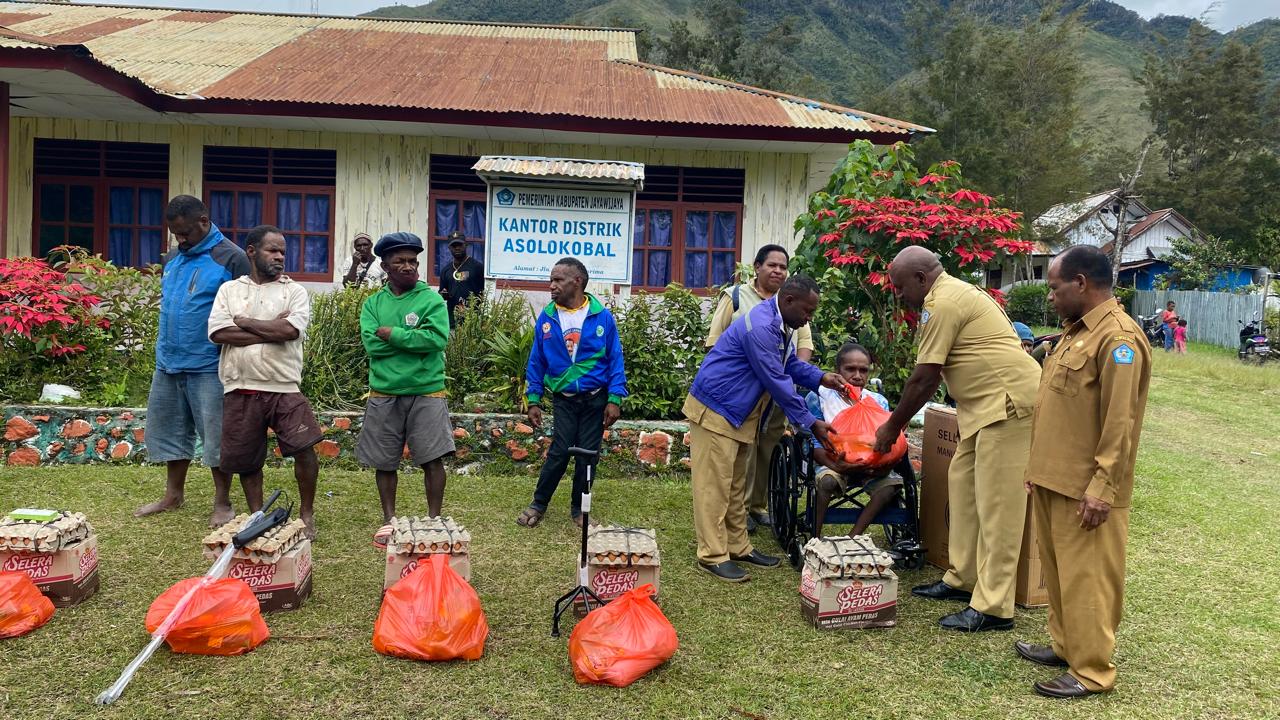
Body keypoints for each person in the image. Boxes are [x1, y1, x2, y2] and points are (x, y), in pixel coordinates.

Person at [873, 246, 1040, 631]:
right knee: (963, 487)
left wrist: (892, 427)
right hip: (981, 408)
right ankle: (963, 577)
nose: (898, 294)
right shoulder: (950, 293)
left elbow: (925, 378)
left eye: (900, 286)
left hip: (1008, 404)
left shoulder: (943, 302)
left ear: (921, 278)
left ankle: (994, 607)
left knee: (999, 506)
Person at [1017, 245, 1150, 699]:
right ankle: (1065, 646)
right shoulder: (1077, 333)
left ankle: (1092, 670)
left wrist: (1102, 487)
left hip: (1085, 487)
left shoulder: (1118, 339)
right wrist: (1036, 467)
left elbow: (1120, 422)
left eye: (1055, 287)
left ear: (1081, 283)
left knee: (1088, 579)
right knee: (1059, 574)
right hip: (1054, 477)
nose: (1050, 296)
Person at [685, 274, 848, 582]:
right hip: (717, 408)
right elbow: (776, 379)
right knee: (714, 487)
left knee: (736, 484)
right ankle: (713, 555)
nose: (809, 318)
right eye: (807, 311)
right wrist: (810, 422)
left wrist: (820, 377)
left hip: (738, 411)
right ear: (788, 300)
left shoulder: (779, 322)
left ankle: (737, 545)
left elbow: (787, 364)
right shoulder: (761, 326)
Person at [134, 195, 249, 527]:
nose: (180, 239)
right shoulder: (173, 258)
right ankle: (173, 495)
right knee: (171, 431)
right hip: (169, 361)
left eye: (185, 232)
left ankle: (223, 502)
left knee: (216, 436)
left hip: (209, 364)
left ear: (203, 221)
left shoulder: (232, 258)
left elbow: (243, 312)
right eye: (175, 234)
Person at [209, 225, 322, 539]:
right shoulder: (230, 290)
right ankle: (258, 516)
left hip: (283, 385)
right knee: (247, 459)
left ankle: (307, 514)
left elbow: (290, 331)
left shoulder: (294, 291)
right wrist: (271, 328)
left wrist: (245, 322)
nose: (279, 257)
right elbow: (219, 333)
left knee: (305, 448)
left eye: (282, 251)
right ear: (251, 251)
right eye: (272, 250)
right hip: (240, 385)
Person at [705, 244, 814, 533]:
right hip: (737, 395)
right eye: (772, 265)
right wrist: (810, 421)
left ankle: (753, 512)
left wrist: (806, 379)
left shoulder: (791, 307)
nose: (778, 271)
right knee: (737, 460)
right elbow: (716, 343)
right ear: (757, 267)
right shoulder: (739, 300)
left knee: (763, 452)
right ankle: (729, 528)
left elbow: (799, 350)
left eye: (783, 267)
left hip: (772, 395)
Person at [356, 232, 454, 546]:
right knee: (385, 461)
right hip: (384, 392)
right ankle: (389, 521)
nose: (409, 266)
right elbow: (372, 345)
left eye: (413, 261)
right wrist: (412, 340)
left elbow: (436, 339)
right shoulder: (373, 304)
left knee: (432, 459)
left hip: (427, 391)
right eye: (400, 261)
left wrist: (393, 334)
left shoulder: (431, 300)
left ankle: (434, 521)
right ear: (385, 266)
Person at [516, 258, 627, 529]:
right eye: (551, 280)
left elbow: (615, 358)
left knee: (588, 455)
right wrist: (533, 398)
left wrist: (614, 398)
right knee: (559, 451)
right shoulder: (548, 317)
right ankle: (538, 503)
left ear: (577, 281)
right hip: (564, 399)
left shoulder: (602, 317)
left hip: (595, 399)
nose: (551, 286)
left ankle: (579, 509)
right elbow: (536, 361)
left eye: (558, 280)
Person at [810, 343, 901, 539]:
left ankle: (852, 538)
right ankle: (814, 538)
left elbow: (887, 441)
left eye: (863, 370)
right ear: (837, 371)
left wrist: (882, 466)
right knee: (827, 481)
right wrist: (839, 466)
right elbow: (815, 446)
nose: (858, 376)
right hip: (834, 462)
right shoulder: (820, 398)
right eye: (850, 369)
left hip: (872, 465)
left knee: (889, 487)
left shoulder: (878, 401)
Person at [438, 230, 485, 327]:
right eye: (454, 246)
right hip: (452, 321)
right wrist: (444, 294)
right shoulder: (446, 270)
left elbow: (484, 292)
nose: (457, 248)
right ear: (449, 248)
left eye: (460, 245)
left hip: (472, 321)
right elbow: (442, 292)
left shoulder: (477, 267)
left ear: (466, 245)